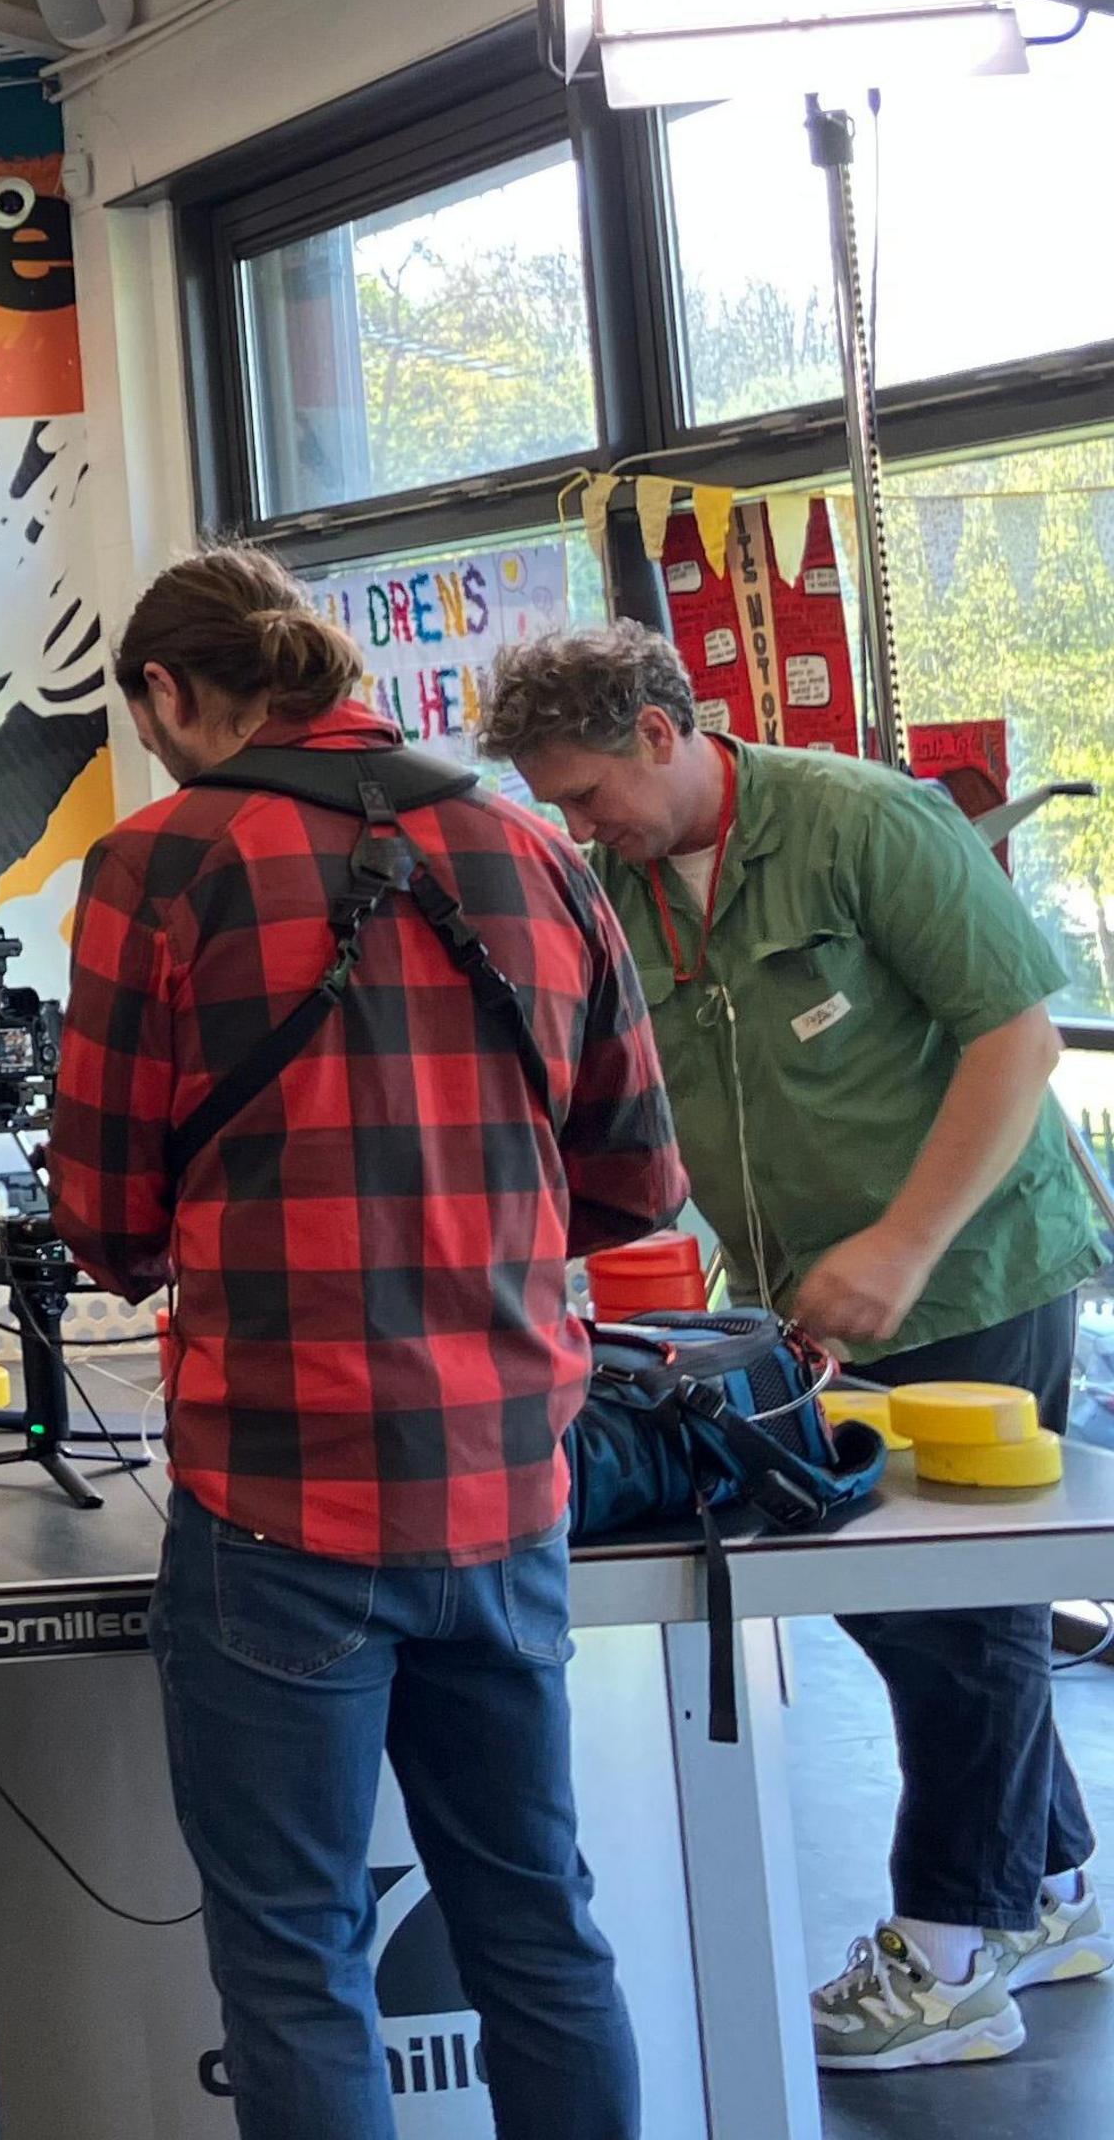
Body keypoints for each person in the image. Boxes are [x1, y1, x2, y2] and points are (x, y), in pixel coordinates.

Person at [50, 550, 684, 2140]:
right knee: (537, 1924)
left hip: (281, 1495)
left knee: (296, 1958)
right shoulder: (532, 850)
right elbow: (635, 1182)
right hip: (508, 1488)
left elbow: (105, 1218)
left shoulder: (158, 864)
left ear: (167, 694)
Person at [482, 621, 1107, 2069]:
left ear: (659, 732)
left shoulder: (864, 823)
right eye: (555, 805)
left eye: (588, 793)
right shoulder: (616, 886)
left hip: (977, 1265)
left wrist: (905, 1245)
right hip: (796, 1300)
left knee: (961, 1614)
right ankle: (1053, 1882)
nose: (579, 825)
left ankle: (953, 1954)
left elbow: (1017, 1040)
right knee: (885, 1601)